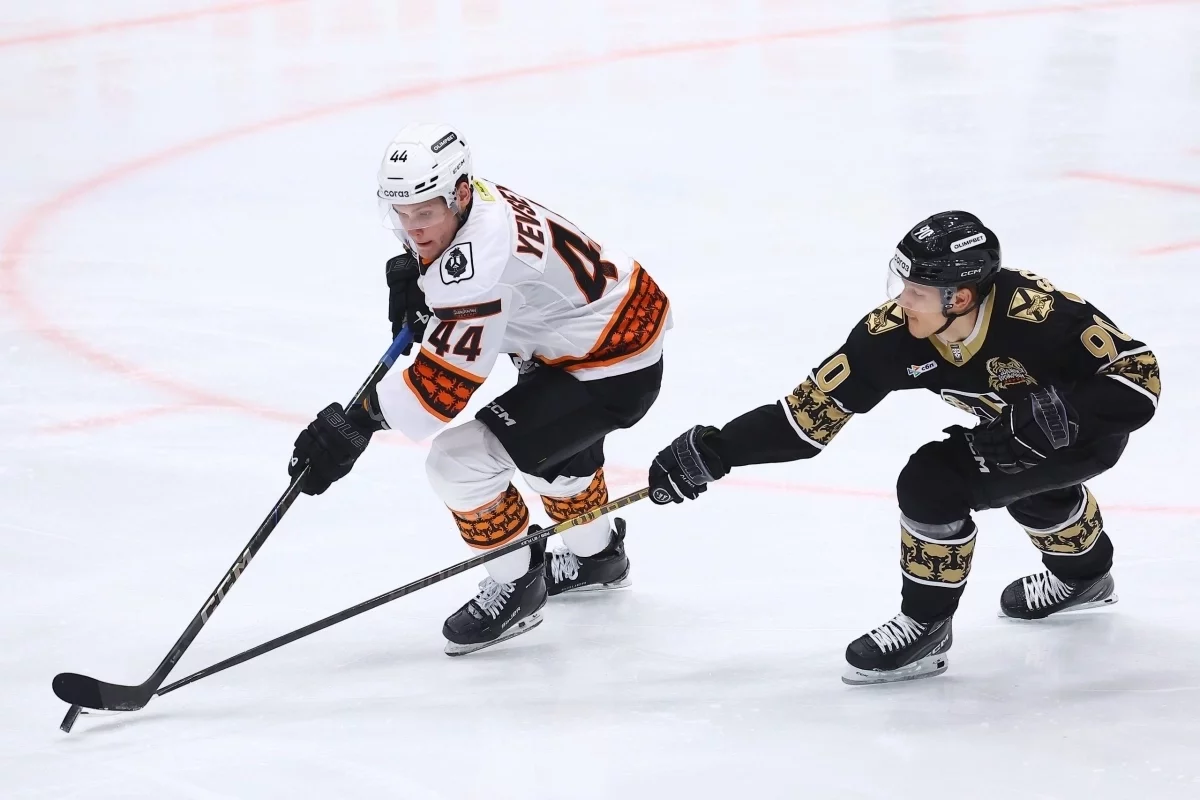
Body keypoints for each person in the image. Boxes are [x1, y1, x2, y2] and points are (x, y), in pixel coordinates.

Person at [646, 211, 1159, 684]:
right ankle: (1084, 578)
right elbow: (806, 418)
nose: (902, 301)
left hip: (1086, 434)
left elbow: (1139, 377)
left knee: (932, 482)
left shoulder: (1038, 314)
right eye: (903, 285)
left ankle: (925, 626)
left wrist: (1058, 416)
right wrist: (717, 451)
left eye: (917, 291)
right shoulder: (890, 337)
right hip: (1007, 429)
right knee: (1022, 482)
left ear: (960, 298)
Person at [288, 124, 671, 655]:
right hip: (604, 328)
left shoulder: (476, 269)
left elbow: (439, 392)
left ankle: (519, 585)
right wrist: (420, 273)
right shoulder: (475, 201)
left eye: (425, 213)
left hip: (607, 363)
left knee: (459, 463)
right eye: (401, 213)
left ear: (459, 194)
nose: (413, 227)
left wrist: (355, 424)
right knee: (554, 458)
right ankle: (597, 559)